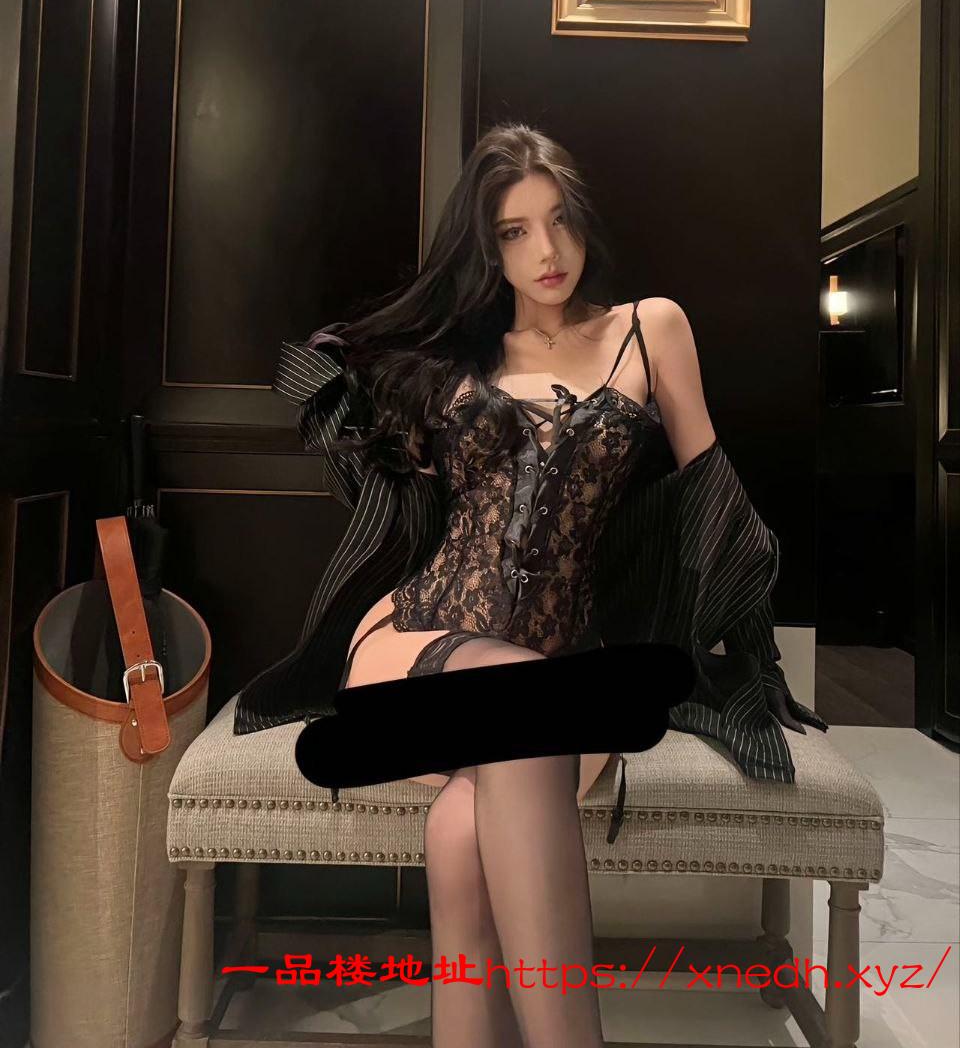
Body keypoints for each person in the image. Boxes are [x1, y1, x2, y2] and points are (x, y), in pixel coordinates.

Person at [234, 122, 827, 1047]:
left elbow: (715, 502)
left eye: (559, 220)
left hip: (562, 661)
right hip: (417, 640)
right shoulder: (458, 359)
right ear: (487, 247)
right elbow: (344, 389)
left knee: (462, 830)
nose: (546, 251)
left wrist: (751, 654)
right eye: (514, 232)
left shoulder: (650, 328)